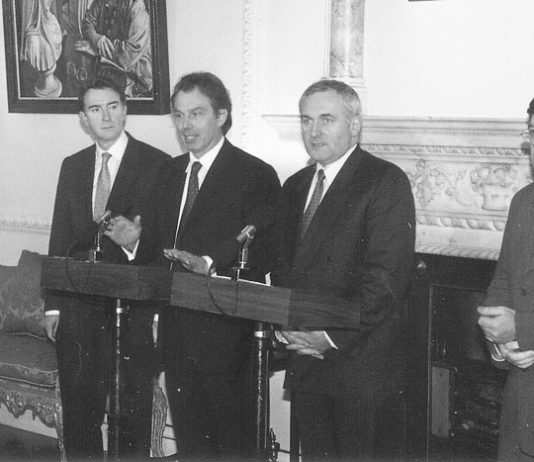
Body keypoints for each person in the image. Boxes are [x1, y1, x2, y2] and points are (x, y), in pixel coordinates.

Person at [105, 72, 281, 459]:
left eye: (196, 114)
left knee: (232, 447)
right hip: (176, 332)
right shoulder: (167, 173)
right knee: (191, 442)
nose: (186, 126)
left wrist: (209, 265)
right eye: (179, 116)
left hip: (230, 338)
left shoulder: (255, 174)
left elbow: (266, 255)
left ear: (221, 115)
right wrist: (134, 243)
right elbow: (157, 251)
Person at [271, 79, 416, 460]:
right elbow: (284, 269)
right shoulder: (295, 184)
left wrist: (329, 337)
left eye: (326, 119)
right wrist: (289, 330)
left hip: (360, 368)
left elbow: (386, 280)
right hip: (308, 365)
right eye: (306, 120)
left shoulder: (384, 181)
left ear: (354, 124)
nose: (313, 131)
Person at [44, 77, 171, 461]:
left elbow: (164, 246)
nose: (106, 116)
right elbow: (60, 237)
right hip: (79, 312)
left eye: (113, 106)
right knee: (80, 414)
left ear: (125, 109)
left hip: (131, 312)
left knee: (130, 413)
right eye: (95, 109)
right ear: (84, 118)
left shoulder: (158, 164)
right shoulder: (73, 166)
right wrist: (53, 305)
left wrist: (157, 312)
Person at [477, 98, 534, 461]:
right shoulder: (524, 202)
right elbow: (503, 283)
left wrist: (525, 330)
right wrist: (497, 337)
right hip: (522, 405)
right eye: (533, 132)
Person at [75, 0, 152, 97]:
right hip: (109, 63)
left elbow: (128, 56)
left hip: (137, 73)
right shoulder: (101, 2)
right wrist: (96, 38)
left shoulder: (137, 6)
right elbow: (87, 22)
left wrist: (98, 50)